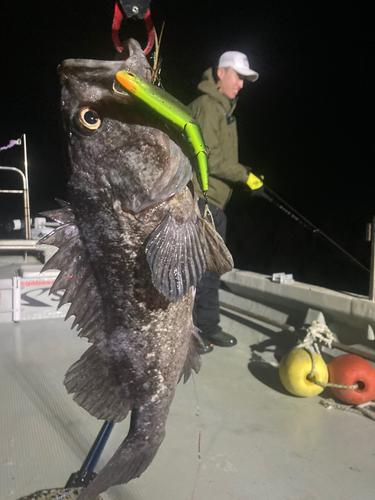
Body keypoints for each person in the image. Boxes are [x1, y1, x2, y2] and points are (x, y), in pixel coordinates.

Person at [189, 51, 264, 354]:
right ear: (221, 73)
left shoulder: (223, 109)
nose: (242, 84)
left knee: (211, 268)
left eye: (245, 79)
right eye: (238, 76)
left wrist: (244, 177)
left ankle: (207, 327)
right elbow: (210, 157)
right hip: (202, 200)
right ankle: (195, 331)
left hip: (215, 202)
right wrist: (245, 175)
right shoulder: (208, 107)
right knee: (201, 269)